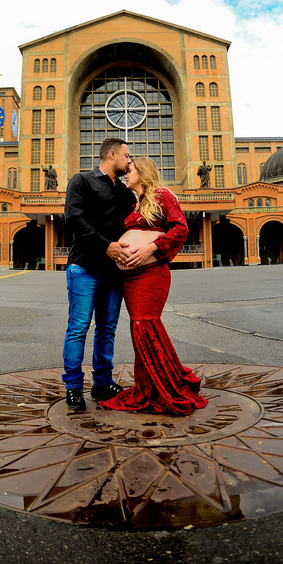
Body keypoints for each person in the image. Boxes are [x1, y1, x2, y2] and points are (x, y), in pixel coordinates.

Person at [101, 157, 207, 416]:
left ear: (143, 173)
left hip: (152, 274)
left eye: (130, 170)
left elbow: (180, 228)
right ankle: (149, 385)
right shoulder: (134, 203)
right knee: (140, 329)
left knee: (145, 325)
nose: (127, 174)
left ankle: (163, 387)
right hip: (131, 278)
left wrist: (152, 247)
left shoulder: (162, 195)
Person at [62, 138, 135, 413]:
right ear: (112, 154)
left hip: (115, 273)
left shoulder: (126, 192)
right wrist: (106, 245)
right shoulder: (82, 181)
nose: (130, 161)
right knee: (78, 329)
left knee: (107, 330)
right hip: (85, 268)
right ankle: (73, 387)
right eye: (127, 156)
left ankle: (102, 382)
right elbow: (74, 219)